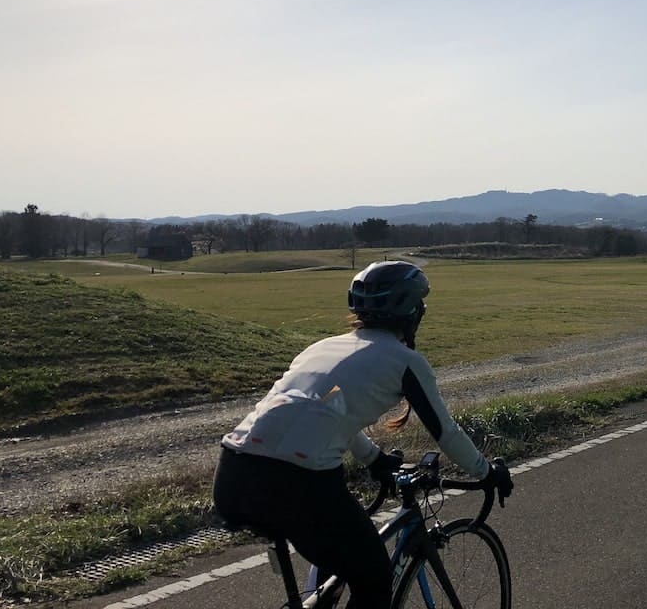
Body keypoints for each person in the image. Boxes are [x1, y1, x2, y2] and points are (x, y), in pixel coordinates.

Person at [213, 260, 514, 609]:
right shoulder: (405, 361)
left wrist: (373, 458)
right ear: (414, 310)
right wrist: (487, 472)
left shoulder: (323, 348)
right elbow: (446, 432)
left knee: (334, 567)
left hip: (233, 472)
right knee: (373, 580)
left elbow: (328, 408)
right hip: (298, 482)